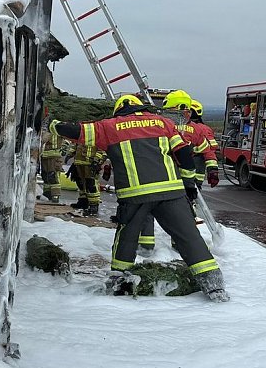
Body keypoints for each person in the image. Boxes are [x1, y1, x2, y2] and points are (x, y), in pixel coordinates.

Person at [50, 93, 229, 302]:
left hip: (135, 196)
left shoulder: (109, 126)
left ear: (119, 110)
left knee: (126, 238)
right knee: (190, 237)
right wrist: (189, 183)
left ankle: (118, 280)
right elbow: (184, 154)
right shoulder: (164, 123)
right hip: (171, 192)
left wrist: (52, 124)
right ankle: (214, 286)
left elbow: (74, 131)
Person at [139, 90, 219, 249]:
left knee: (147, 206)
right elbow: (207, 150)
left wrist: (211, 169)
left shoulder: (159, 125)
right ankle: (178, 243)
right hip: (185, 179)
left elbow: (206, 151)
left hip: (163, 176)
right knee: (184, 211)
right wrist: (212, 170)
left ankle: (147, 245)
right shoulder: (196, 130)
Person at [67, 143, 105, 216]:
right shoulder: (82, 133)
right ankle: (83, 201)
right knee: (80, 183)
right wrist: (71, 153)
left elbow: (102, 148)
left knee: (90, 184)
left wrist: (96, 160)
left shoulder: (97, 133)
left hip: (90, 163)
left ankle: (94, 205)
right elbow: (77, 144)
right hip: (79, 161)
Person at [190, 99, 220, 187]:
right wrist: (213, 170)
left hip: (192, 171)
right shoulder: (204, 128)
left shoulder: (201, 129)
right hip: (195, 172)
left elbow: (209, 150)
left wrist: (213, 169)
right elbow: (211, 149)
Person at [39, 123, 67, 203]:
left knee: (53, 176)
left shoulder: (58, 131)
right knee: (45, 176)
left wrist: (64, 150)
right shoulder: (46, 131)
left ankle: (55, 195)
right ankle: (47, 194)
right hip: (45, 156)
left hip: (54, 157)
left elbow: (43, 140)